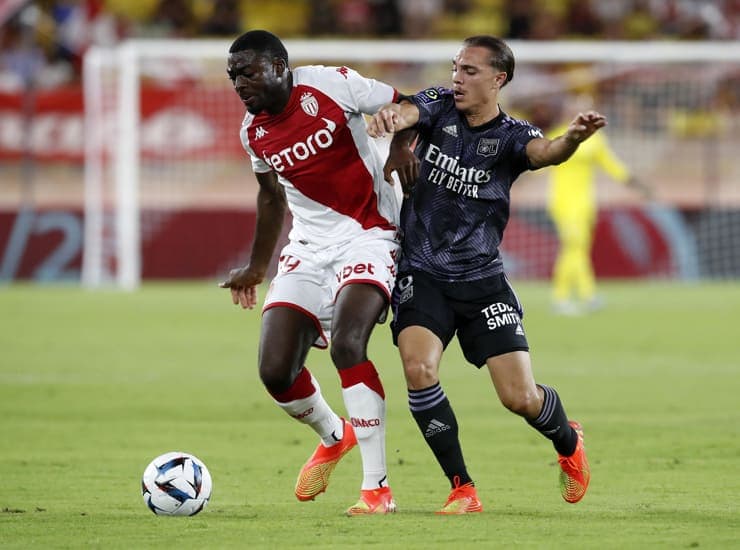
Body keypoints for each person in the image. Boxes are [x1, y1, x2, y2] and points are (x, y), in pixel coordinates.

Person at [366, 35, 597, 514]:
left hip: (483, 281)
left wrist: (572, 139)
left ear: (499, 80)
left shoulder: (512, 136)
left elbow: (546, 152)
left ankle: (567, 440)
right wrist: (395, 123)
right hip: (423, 273)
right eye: (455, 68)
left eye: (470, 71)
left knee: (519, 398)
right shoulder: (437, 104)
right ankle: (462, 488)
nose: (457, 78)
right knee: (418, 369)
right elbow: (409, 111)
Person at [219, 30, 401, 516]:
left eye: (248, 71)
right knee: (275, 371)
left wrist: (401, 141)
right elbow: (270, 196)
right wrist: (258, 268)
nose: (239, 83)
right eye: (233, 75)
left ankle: (376, 489)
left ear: (280, 65)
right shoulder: (252, 131)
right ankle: (333, 434)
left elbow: (405, 104)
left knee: (348, 343)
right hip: (307, 248)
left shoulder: (331, 84)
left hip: (371, 233)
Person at [546, 95, 650, 315]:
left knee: (577, 249)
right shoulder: (557, 133)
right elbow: (539, 158)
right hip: (563, 201)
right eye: (577, 108)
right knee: (573, 247)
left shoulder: (594, 140)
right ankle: (574, 296)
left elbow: (611, 164)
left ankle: (572, 296)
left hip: (585, 203)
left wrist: (634, 183)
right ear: (568, 111)